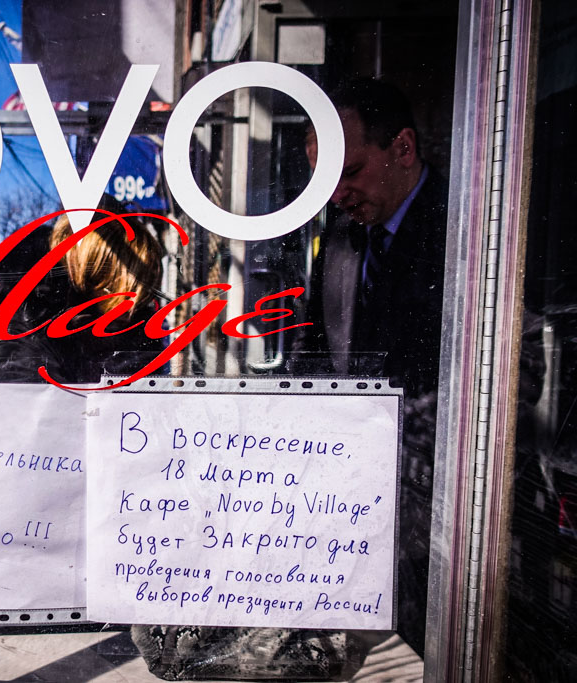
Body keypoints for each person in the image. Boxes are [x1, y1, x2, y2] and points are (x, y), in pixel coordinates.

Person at [297, 78, 449, 657]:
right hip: (352, 507)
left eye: (350, 172)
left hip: (439, 516)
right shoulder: (342, 236)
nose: (337, 195)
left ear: (403, 149)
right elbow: (317, 352)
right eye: (324, 181)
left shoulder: (466, 232)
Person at [0, 196, 165, 384]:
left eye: (142, 295)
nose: (133, 306)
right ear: (90, 279)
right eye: (119, 288)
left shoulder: (134, 340)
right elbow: (19, 393)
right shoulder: (32, 331)